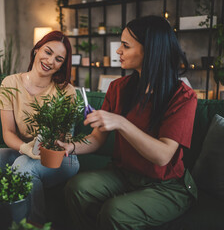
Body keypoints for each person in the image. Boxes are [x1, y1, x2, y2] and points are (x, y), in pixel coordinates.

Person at [57, 15, 198, 230]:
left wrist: (121, 123)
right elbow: (96, 138)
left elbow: (162, 156)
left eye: (125, 45)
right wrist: (71, 147)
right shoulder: (118, 87)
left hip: (165, 186)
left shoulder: (183, 96)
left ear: (150, 50)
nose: (118, 51)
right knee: (77, 187)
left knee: (115, 212)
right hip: (124, 174)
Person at [0, 31, 79, 224]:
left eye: (58, 59)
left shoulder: (66, 91)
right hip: (26, 150)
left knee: (23, 167)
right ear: (37, 49)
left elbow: (64, 140)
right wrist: (25, 148)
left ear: (62, 65)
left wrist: (40, 145)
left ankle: (34, 224)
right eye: (47, 52)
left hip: (60, 157)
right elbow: (8, 132)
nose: (50, 61)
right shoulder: (10, 83)